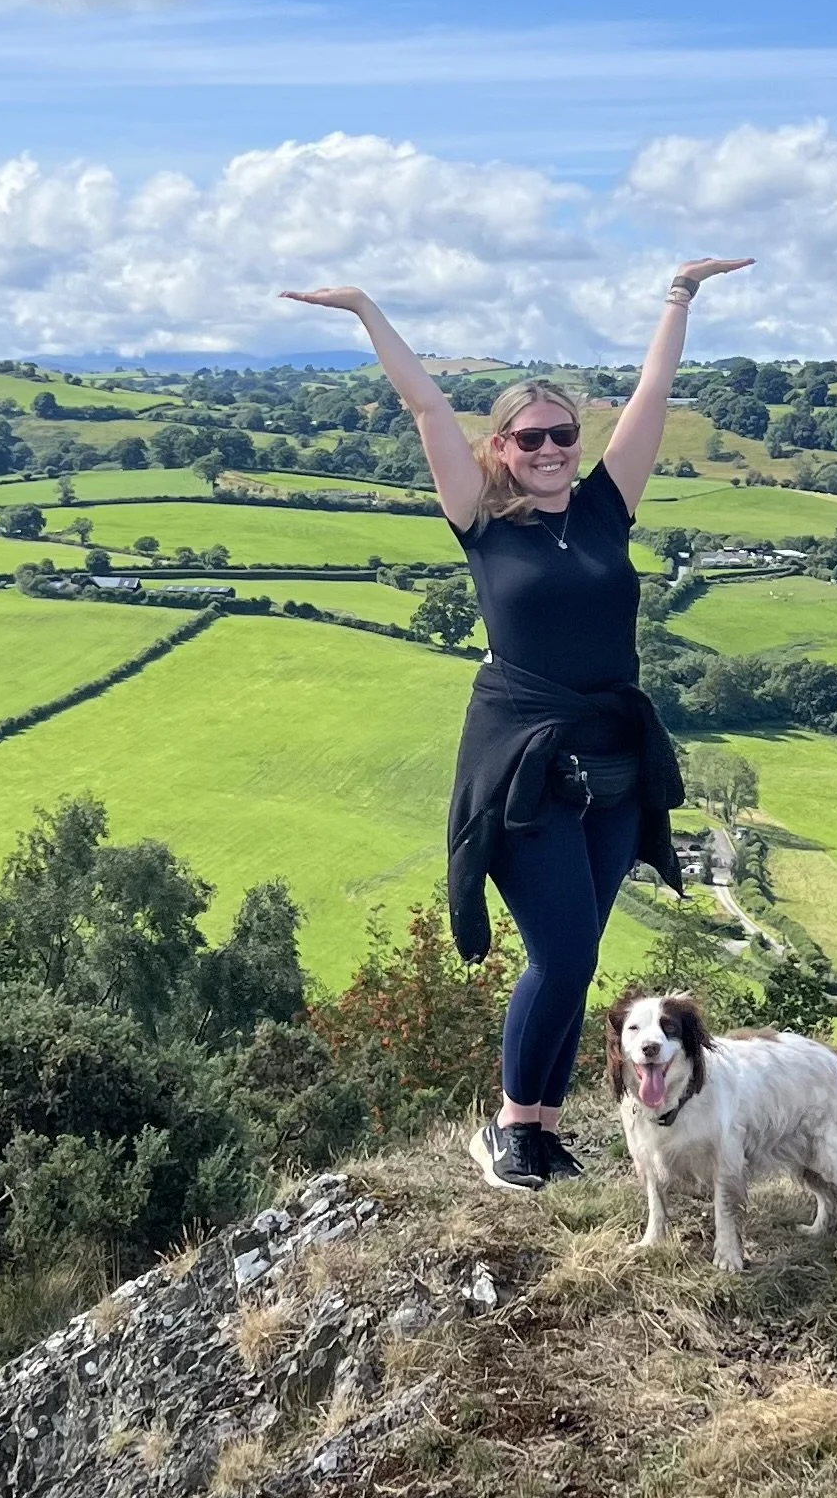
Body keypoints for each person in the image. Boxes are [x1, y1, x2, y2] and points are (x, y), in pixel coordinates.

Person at [281, 258, 754, 1190]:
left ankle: (542, 1130)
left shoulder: (606, 510)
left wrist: (678, 296)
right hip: (525, 768)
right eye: (529, 438)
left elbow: (650, 395)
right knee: (562, 953)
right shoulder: (482, 521)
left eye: (562, 435)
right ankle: (506, 1129)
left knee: (577, 960)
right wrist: (366, 309)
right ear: (500, 447)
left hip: (612, 765)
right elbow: (426, 407)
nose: (549, 450)